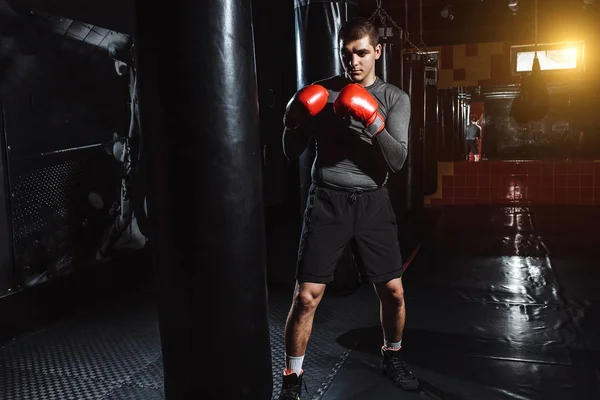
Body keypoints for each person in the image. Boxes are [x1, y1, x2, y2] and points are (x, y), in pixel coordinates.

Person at [277, 17, 419, 399]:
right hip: (328, 200)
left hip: (373, 202)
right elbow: (291, 152)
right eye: (346, 54)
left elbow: (398, 161)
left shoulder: (394, 98)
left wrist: (371, 119)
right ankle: (292, 379)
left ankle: (392, 355)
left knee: (393, 292)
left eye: (360, 53)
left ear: (377, 51)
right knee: (305, 296)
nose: (352, 62)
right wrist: (292, 121)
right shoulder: (322, 93)